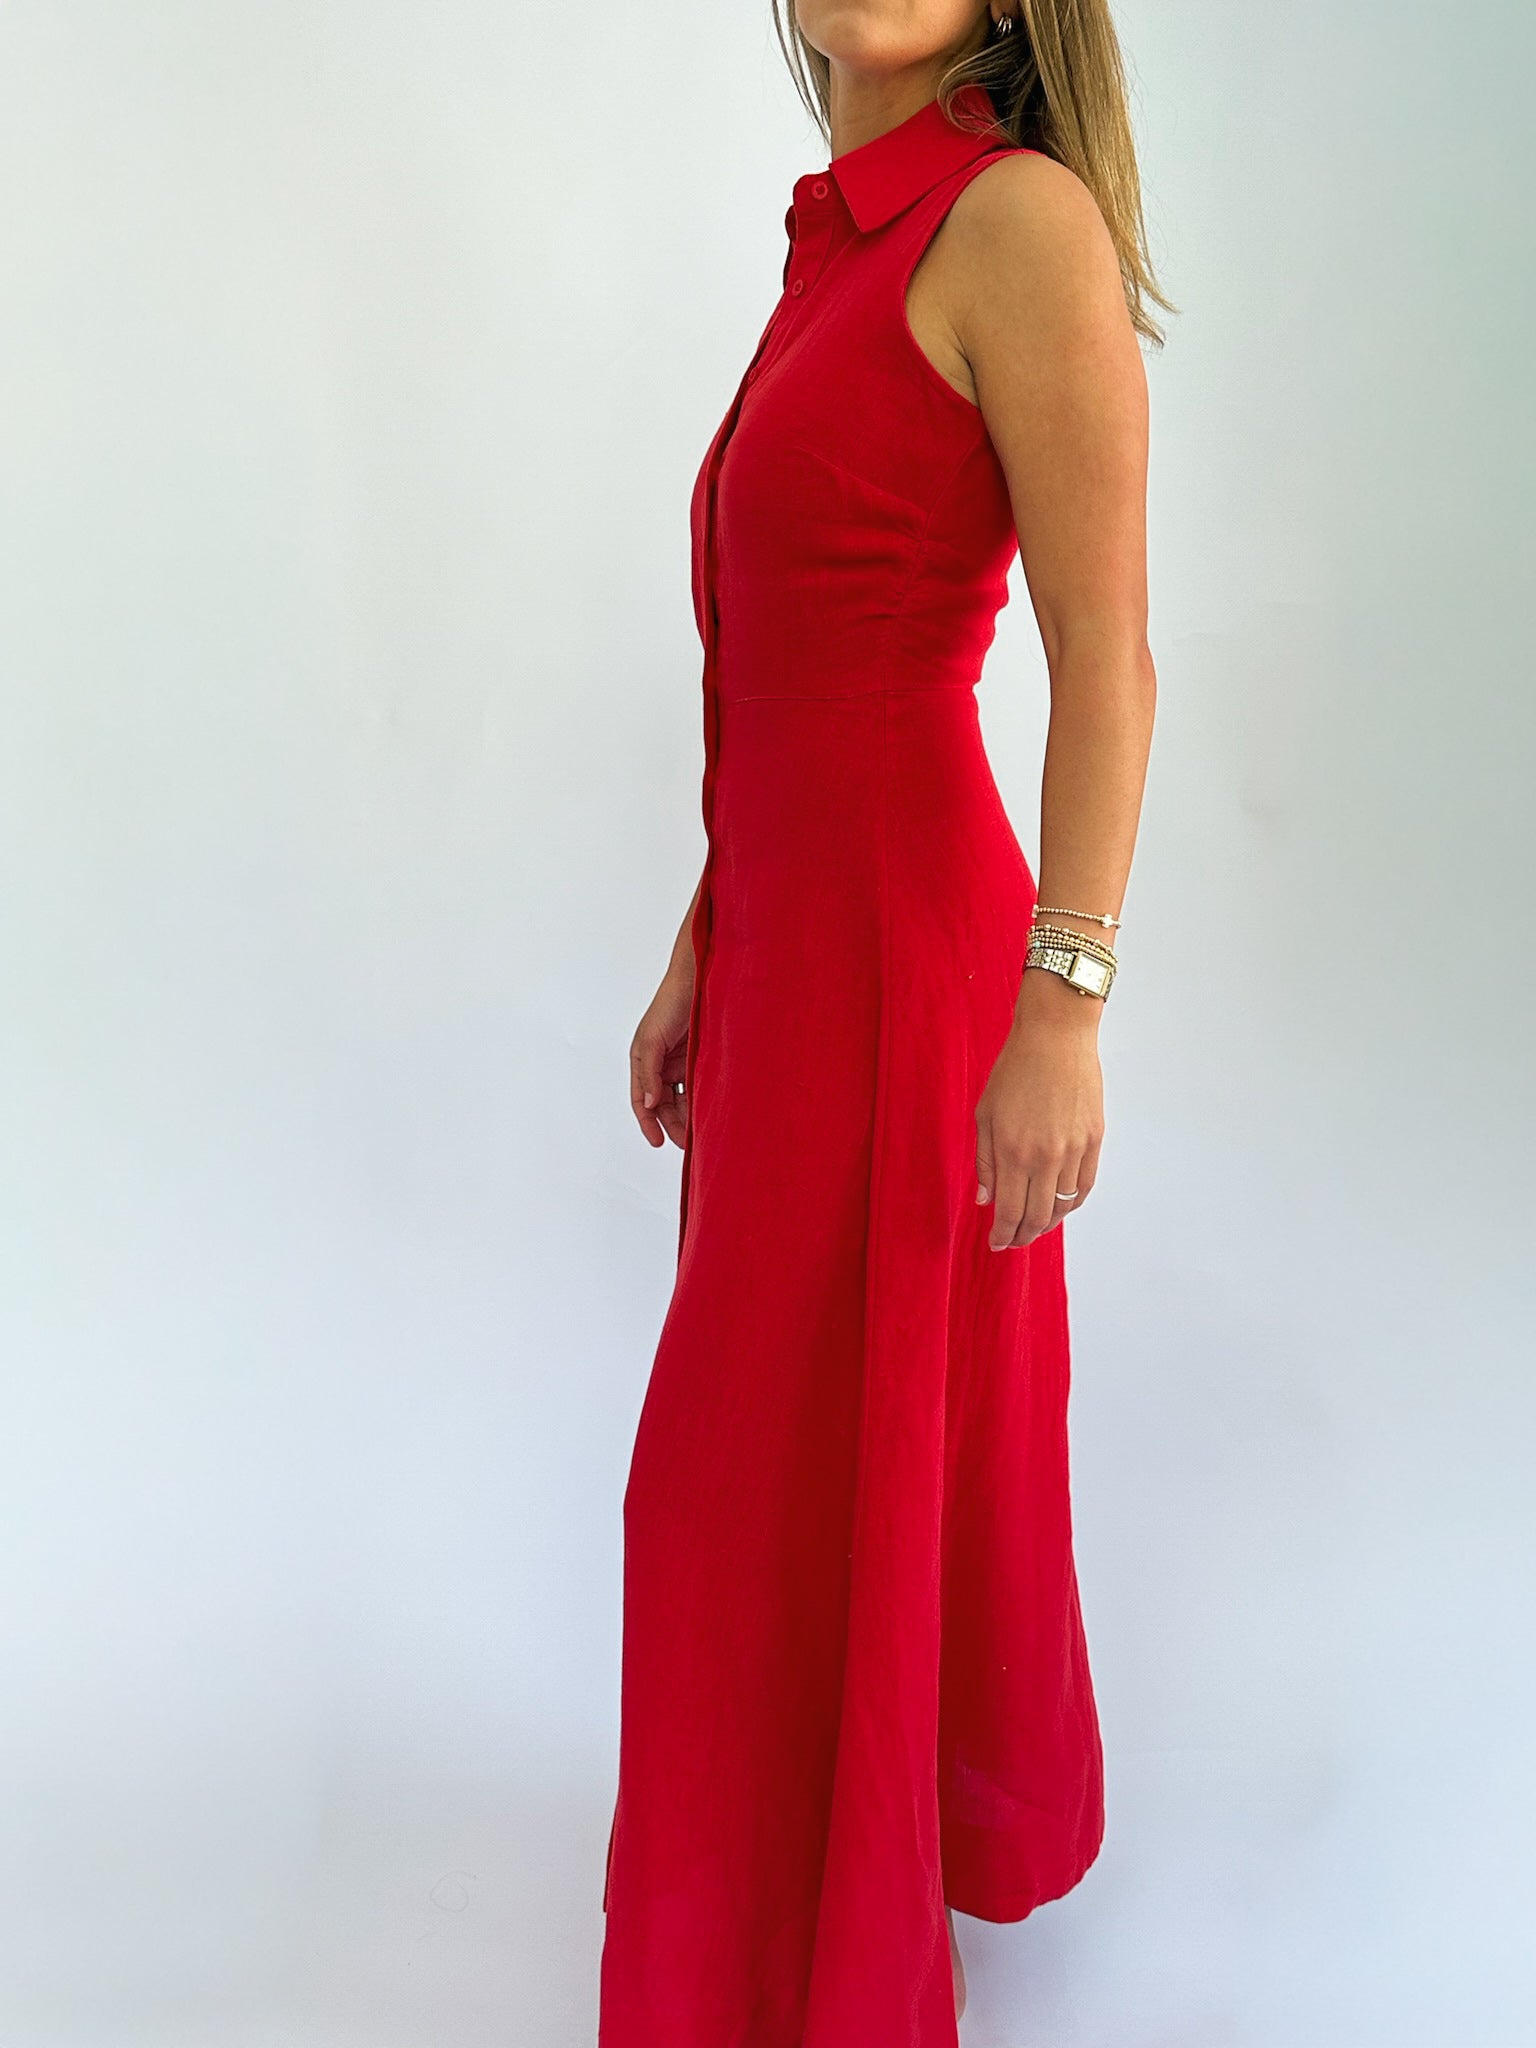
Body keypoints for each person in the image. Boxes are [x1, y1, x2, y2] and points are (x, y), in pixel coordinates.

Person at [602, 2, 1165, 2040]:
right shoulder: (843, 244)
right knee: (764, 1471)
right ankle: (787, 1917)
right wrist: (705, 929)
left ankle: (799, 1964)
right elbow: (796, 663)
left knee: (776, 1468)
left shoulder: (1014, 223)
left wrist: (1067, 1002)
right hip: (787, 959)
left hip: (915, 969)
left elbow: (1109, 658)